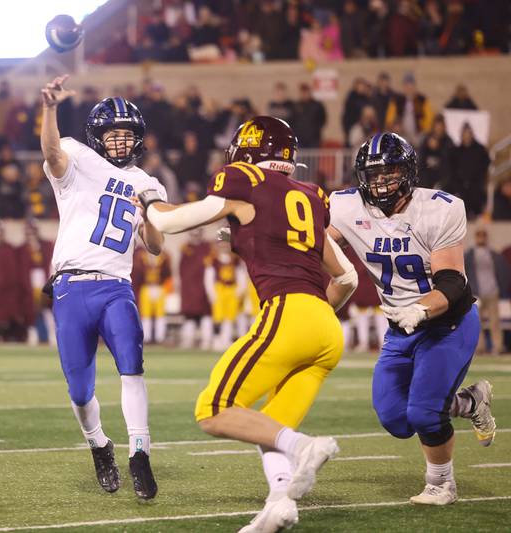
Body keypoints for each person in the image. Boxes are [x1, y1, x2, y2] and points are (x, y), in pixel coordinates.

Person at [139, 116, 359, 532]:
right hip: (326, 330)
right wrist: (318, 318)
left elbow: (169, 223)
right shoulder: (311, 195)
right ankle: (278, 504)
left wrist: (150, 201)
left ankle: (305, 447)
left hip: (288, 313)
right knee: (269, 426)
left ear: (250, 151)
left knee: (213, 409)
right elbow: (346, 276)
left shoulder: (244, 179)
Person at [328, 132, 497, 506]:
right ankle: (469, 403)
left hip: (446, 322)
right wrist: (266, 240)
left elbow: (453, 281)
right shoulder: (345, 206)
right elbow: (316, 243)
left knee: (423, 413)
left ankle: (441, 485)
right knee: (394, 418)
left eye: (390, 172)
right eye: (373, 174)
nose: (381, 181)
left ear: (409, 172)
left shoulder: (440, 208)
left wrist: (421, 308)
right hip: (398, 328)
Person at [40, 75, 166, 500]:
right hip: (71, 285)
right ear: (97, 136)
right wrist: (50, 109)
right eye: (111, 134)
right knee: (79, 390)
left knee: (132, 364)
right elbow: (53, 152)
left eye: (126, 134)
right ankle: (98, 444)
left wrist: (147, 216)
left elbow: (154, 247)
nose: (118, 141)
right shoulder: (76, 158)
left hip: (116, 285)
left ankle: (140, 453)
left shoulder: (148, 183)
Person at [465, 227, 510, 355]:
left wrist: (501, 288)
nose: (481, 238)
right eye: (479, 235)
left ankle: (498, 346)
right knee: (476, 322)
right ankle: (480, 347)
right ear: (475, 237)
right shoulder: (469, 255)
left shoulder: (493, 254)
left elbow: (502, 272)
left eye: (483, 235)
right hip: (476, 293)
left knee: (495, 321)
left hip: (492, 291)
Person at [178, 228, 213, 350]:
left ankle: (206, 340)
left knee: (206, 314)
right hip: (189, 286)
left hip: (204, 285)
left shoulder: (208, 247)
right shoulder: (185, 248)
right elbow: (182, 269)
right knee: (189, 315)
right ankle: (188, 339)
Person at [132, 247, 172, 344]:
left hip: (159, 287)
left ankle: (160, 337)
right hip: (146, 287)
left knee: (160, 315)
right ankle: (146, 338)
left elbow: (168, 273)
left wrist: (168, 289)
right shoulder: (140, 256)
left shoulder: (164, 256)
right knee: (145, 315)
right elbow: (137, 273)